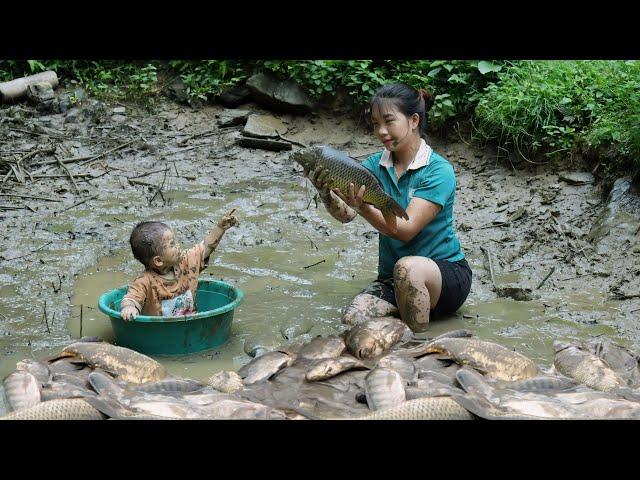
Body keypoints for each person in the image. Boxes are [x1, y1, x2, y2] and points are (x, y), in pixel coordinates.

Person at [303, 83, 471, 333]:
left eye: (389, 121)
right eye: (375, 124)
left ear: (414, 121)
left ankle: (418, 349)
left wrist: (365, 208)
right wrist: (324, 191)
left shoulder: (438, 170)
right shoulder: (372, 166)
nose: (381, 131)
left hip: (443, 276)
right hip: (393, 279)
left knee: (409, 268)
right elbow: (346, 215)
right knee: (354, 319)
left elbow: (406, 230)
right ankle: (399, 329)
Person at [119, 209, 239, 320]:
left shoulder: (185, 263)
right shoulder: (145, 281)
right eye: (172, 244)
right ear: (158, 261)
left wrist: (220, 228)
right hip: (159, 332)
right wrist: (129, 308)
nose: (178, 245)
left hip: (188, 325)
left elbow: (205, 247)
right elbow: (131, 298)